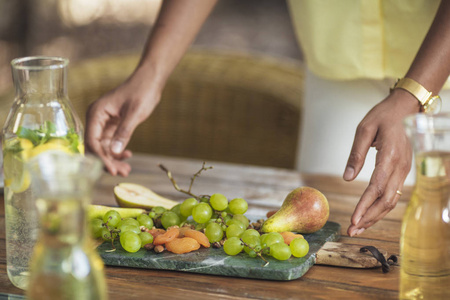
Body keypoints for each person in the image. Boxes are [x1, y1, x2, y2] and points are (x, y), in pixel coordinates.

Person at [85, 0, 450, 237]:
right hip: (338, 69)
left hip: (443, 70)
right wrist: (151, 72)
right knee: (330, 243)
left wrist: (415, 94)